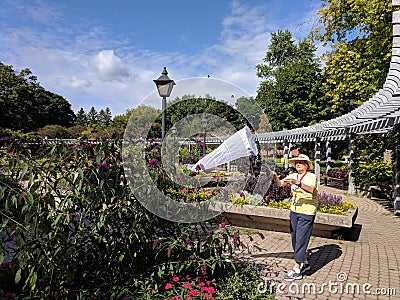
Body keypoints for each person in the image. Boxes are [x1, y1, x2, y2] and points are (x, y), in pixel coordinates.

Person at [273, 154, 318, 281]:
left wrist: (298, 183)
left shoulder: (311, 177)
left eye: (301, 162)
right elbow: (280, 184)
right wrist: (274, 176)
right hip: (294, 210)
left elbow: (312, 190)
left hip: (307, 212)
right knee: (295, 238)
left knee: (301, 239)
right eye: (296, 162)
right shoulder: (293, 176)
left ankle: (297, 269)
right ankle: (305, 262)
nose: (298, 164)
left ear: (306, 165)